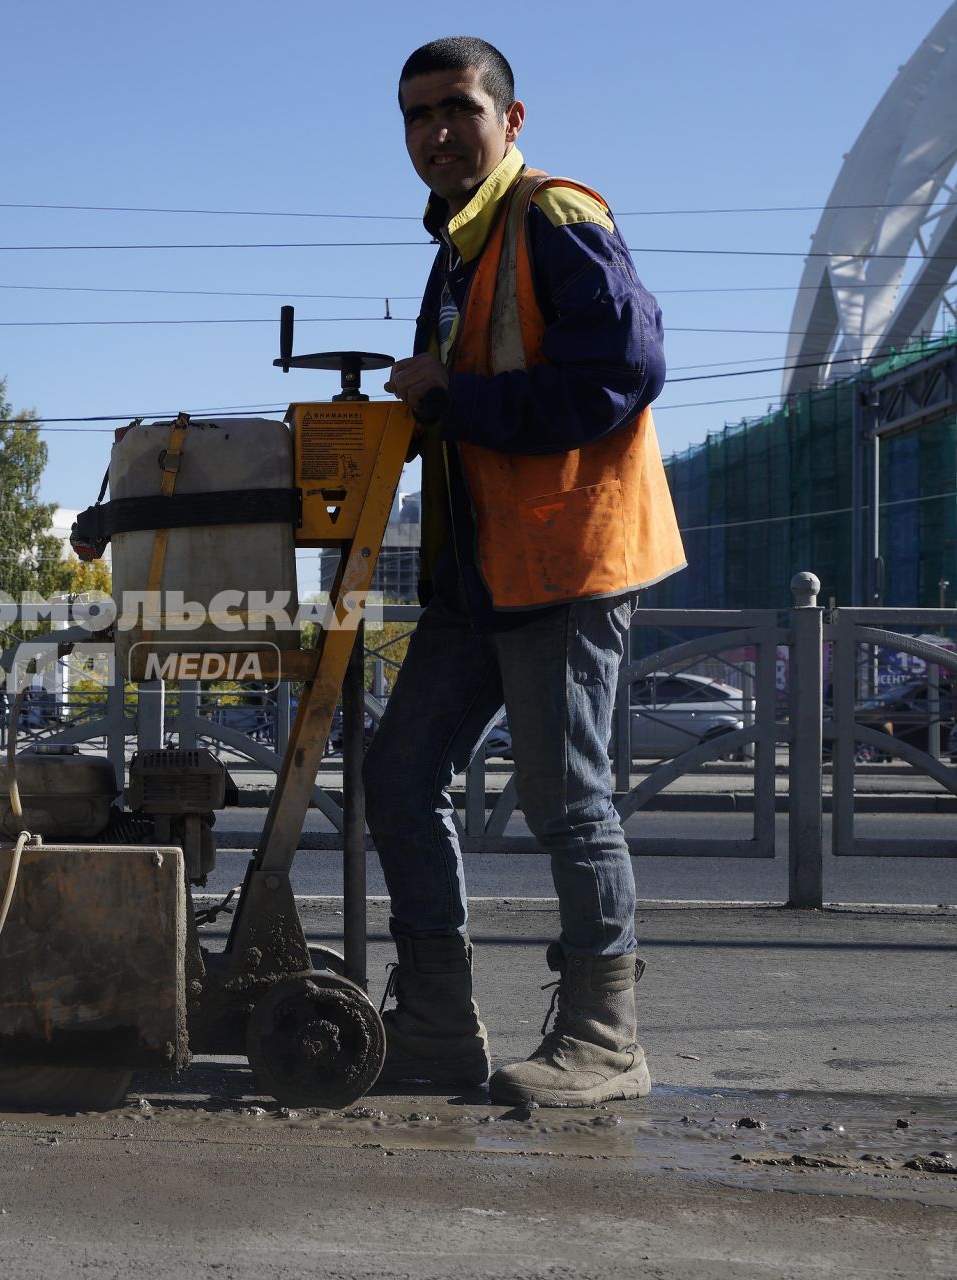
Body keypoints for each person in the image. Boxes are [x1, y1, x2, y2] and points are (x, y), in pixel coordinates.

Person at [367, 37, 684, 1106]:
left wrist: (453, 403)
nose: (435, 133)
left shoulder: (553, 217)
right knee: (397, 774)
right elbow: (451, 398)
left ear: (510, 118)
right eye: (416, 116)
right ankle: (435, 1024)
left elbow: (625, 370)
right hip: (479, 564)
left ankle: (605, 1037)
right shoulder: (454, 249)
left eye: (456, 108)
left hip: (563, 555)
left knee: (567, 802)